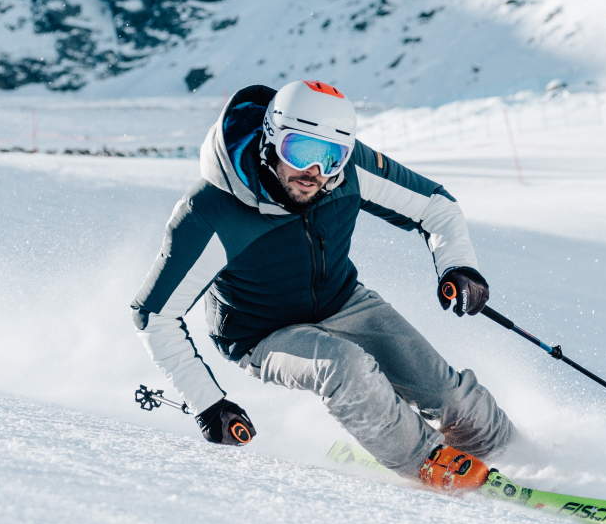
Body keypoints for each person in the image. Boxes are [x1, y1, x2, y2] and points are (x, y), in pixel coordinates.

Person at [130, 79, 519, 493]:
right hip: (261, 332)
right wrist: (207, 402)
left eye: (331, 157)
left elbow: (435, 206)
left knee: (447, 392)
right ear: (271, 139)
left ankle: (512, 453)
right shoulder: (212, 211)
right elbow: (154, 315)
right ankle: (428, 461)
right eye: (301, 151)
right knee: (345, 366)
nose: (315, 172)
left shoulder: (347, 173)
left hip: (342, 300)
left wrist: (458, 265)